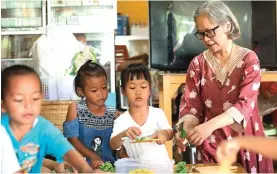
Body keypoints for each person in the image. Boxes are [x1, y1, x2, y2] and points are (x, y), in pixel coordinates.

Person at [175, 1, 273, 173]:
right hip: (211, 145)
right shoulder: (197, 64)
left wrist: (208, 126)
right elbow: (190, 106)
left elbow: (245, 104)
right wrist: (187, 130)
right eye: (201, 34)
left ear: (227, 25)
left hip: (246, 144)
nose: (206, 38)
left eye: (210, 31)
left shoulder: (249, 60)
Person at [1, 65, 93, 173]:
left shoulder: (44, 128)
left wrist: (87, 170)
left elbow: (67, 151)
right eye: (19, 99)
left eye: (35, 98)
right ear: (3, 105)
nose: (28, 105)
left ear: (42, 98)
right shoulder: (2, 131)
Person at [110, 63, 173, 161]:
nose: (138, 92)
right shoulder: (122, 120)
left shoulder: (157, 113)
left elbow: (170, 133)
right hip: (137, 170)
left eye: (143, 87)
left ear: (149, 90)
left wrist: (164, 134)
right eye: (132, 88)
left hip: (161, 168)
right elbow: (113, 144)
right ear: (123, 91)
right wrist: (123, 134)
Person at [63, 60, 116, 169]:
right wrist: (93, 156)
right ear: (81, 91)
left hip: (108, 167)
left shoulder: (114, 114)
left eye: (104, 87)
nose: (100, 93)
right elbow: (72, 140)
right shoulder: (75, 108)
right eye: (94, 90)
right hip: (81, 165)